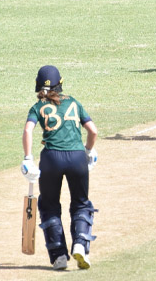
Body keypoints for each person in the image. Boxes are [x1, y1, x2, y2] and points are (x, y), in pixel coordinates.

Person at [20, 65, 99, 270]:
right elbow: (93, 131)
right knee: (81, 204)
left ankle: (59, 257)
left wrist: (28, 158)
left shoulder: (38, 107)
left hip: (51, 159)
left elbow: (28, 130)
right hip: (77, 157)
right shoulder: (73, 102)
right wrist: (88, 151)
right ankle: (81, 245)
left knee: (49, 206)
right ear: (60, 83)